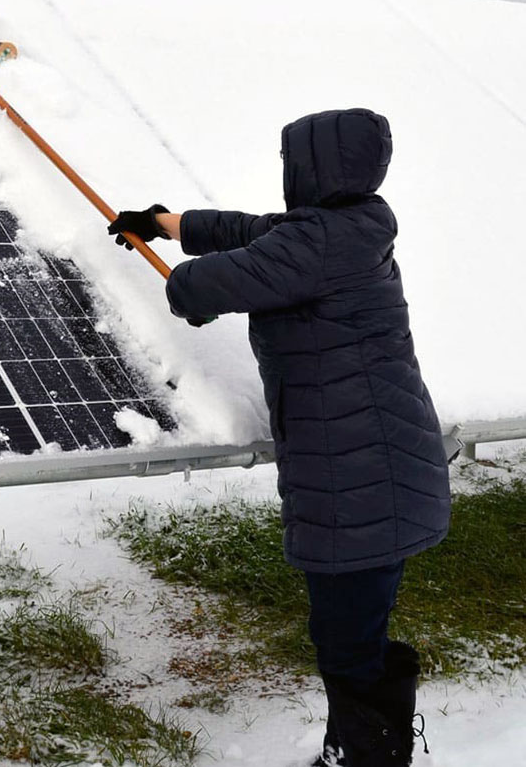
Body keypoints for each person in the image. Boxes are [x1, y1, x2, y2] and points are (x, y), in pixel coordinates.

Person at [109, 108, 451, 767]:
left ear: (313, 166)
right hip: (379, 464)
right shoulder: (351, 227)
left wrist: (193, 286)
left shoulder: (315, 245)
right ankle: (362, 749)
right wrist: (164, 223)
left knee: (346, 639)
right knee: (354, 629)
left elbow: (199, 286)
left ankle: (368, 757)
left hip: (356, 479)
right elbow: (251, 231)